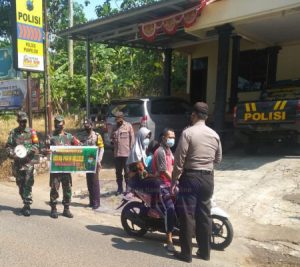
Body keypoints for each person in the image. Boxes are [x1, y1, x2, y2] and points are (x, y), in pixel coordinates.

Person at [172, 102, 222, 263]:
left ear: (194, 115)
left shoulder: (188, 133)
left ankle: (186, 254)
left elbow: (179, 160)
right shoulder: (215, 135)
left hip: (191, 178)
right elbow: (218, 159)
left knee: (187, 215)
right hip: (208, 179)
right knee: (204, 216)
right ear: (206, 117)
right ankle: (205, 252)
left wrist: (174, 180)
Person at [5, 112, 39, 216]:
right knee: (20, 185)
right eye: (21, 121)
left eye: (25, 121)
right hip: (18, 164)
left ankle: (27, 205)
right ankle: (24, 201)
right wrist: (12, 154)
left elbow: (36, 145)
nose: (23, 123)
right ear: (18, 121)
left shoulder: (32, 132)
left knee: (28, 182)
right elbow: (8, 146)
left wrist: (27, 152)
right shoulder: (13, 133)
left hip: (28, 162)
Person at [48, 115, 80, 219]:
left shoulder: (69, 137)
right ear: (55, 124)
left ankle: (66, 209)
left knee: (67, 189)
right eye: (57, 124)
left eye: (60, 124)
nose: (59, 126)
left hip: (66, 169)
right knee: (54, 189)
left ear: (63, 124)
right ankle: (53, 209)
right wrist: (46, 151)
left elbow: (79, 146)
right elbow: (43, 150)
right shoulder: (51, 137)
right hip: (56, 169)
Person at [126, 127, 161, 218]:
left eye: (149, 137)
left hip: (141, 177)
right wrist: (153, 176)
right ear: (141, 137)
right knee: (156, 183)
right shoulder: (136, 151)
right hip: (136, 180)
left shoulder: (143, 150)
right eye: (146, 137)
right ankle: (152, 209)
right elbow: (141, 171)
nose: (147, 139)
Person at [152, 128, 176, 252]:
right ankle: (169, 240)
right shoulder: (161, 151)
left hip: (169, 184)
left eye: (173, 137)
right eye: (170, 137)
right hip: (162, 185)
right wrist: (175, 181)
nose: (172, 139)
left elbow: (173, 166)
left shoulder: (169, 150)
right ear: (164, 138)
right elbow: (163, 171)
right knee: (170, 209)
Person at [81, 118, 104, 210]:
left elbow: (101, 148)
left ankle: (96, 202)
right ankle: (91, 201)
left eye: (88, 126)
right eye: (85, 126)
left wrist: (99, 160)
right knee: (89, 182)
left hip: (95, 162)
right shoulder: (84, 136)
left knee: (95, 182)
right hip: (87, 162)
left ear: (92, 126)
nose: (87, 128)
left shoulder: (97, 136)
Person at [110, 111, 135, 195]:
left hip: (126, 154)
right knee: (118, 173)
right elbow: (111, 138)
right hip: (117, 154)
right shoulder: (114, 127)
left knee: (127, 172)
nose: (118, 121)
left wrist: (131, 153)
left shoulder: (128, 126)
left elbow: (132, 140)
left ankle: (128, 188)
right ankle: (119, 188)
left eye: (119, 119)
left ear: (122, 118)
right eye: (116, 120)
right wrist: (113, 140)